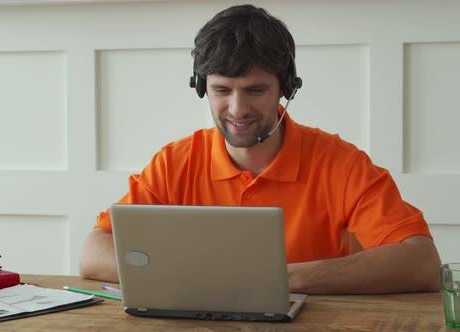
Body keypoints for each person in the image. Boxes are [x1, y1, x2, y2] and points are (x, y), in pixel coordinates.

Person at [79, 4, 441, 294]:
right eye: (222, 90)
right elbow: (94, 252)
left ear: (286, 87)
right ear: (202, 87)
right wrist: (207, 277)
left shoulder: (341, 162)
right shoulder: (175, 162)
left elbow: (421, 263)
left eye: (255, 91)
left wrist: (273, 279)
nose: (237, 111)